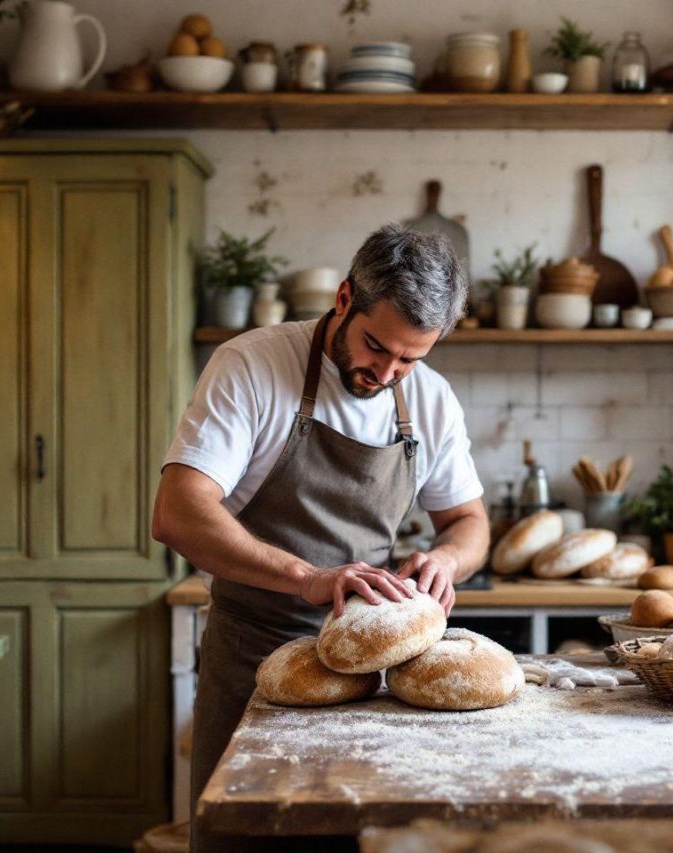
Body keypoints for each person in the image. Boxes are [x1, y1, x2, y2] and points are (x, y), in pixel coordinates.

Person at [152, 223, 488, 849]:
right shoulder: (252, 365)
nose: (386, 373)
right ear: (343, 299)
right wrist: (306, 577)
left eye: (410, 359)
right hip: (257, 660)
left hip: (372, 670)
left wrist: (446, 560)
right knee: (242, 838)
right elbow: (178, 511)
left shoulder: (431, 401)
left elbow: (470, 523)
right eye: (375, 346)